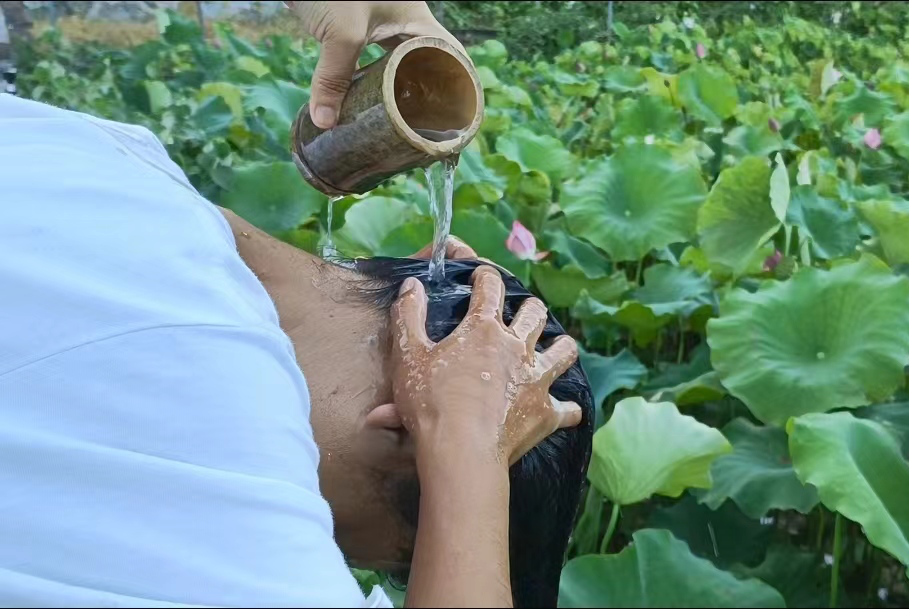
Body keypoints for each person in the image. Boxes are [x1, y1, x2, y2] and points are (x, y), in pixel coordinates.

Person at [0, 1, 590, 607]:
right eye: (386, 562)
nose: (323, 544)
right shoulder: (235, 473)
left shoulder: (117, 159)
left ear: (417, 269)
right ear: (407, 434)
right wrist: (469, 450)